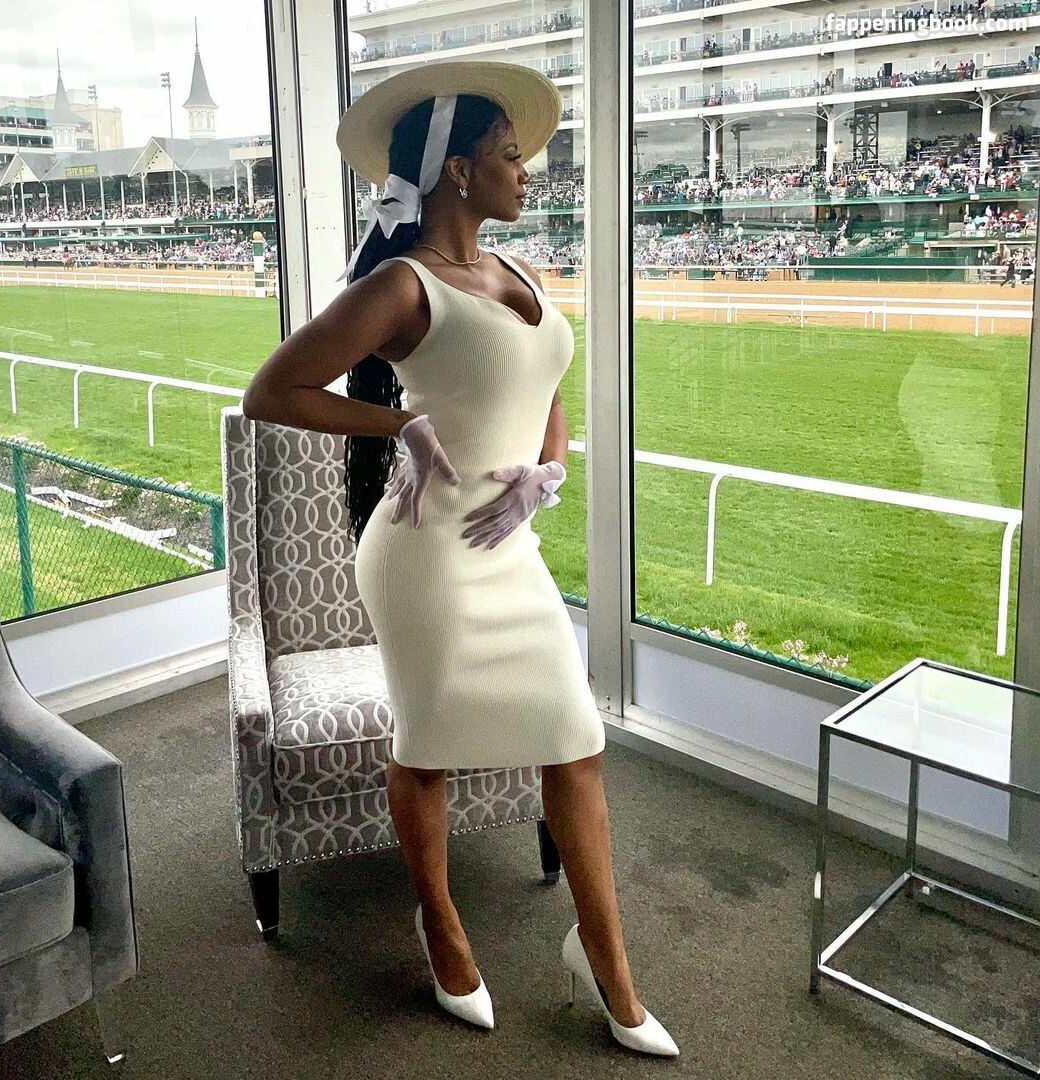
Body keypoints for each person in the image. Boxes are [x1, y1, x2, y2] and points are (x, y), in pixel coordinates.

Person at [240, 60, 679, 1058]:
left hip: (508, 547)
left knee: (576, 740)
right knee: (427, 744)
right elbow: (273, 391)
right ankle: (440, 927)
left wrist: (545, 474)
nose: (527, 172)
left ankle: (606, 966)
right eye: (509, 154)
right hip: (426, 557)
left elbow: (546, 387)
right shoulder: (403, 284)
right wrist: (398, 425)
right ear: (456, 171)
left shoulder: (518, 275)